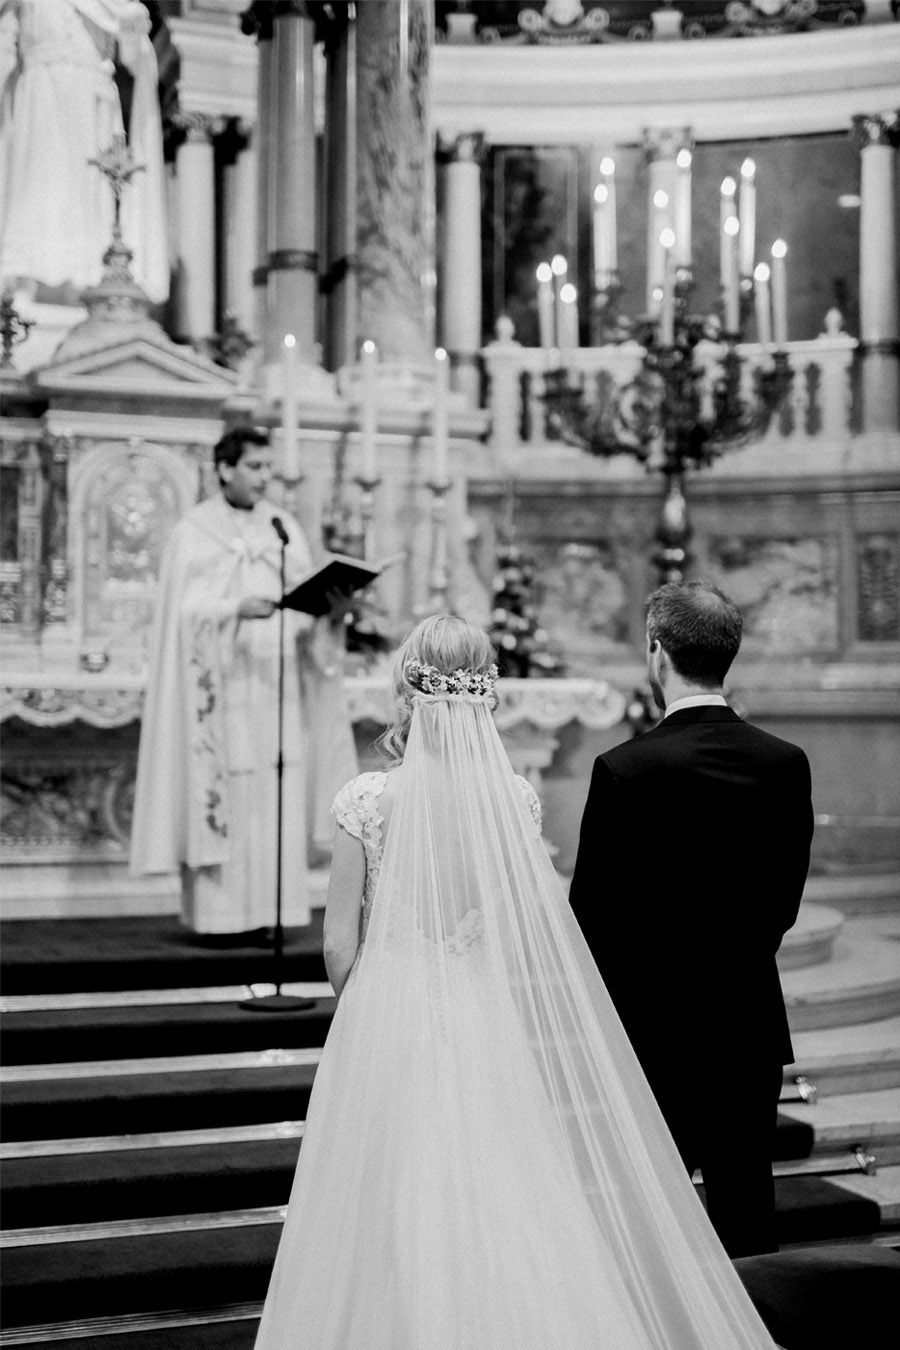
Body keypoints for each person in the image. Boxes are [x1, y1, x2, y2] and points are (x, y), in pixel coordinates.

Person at [253, 613, 780, 1349]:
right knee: (500, 1186)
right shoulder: (514, 801)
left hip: (389, 1018)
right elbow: (521, 933)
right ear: (484, 693)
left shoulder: (367, 801)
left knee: (387, 1192)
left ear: (409, 689)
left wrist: (374, 1008)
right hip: (484, 1016)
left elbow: (341, 944)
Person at [568, 580, 814, 1259]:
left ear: (656, 654)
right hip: (747, 1025)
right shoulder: (784, 763)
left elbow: (592, 918)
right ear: (727, 656)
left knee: (653, 1220)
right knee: (745, 1213)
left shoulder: (624, 768)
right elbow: (782, 905)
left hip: (653, 1035)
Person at [130, 427, 357, 941]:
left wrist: (331, 615)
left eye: (267, 468)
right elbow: (179, 618)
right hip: (221, 693)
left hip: (278, 690)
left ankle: (274, 916)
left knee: (277, 792)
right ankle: (220, 918)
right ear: (225, 468)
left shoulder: (283, 527)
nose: (264, 477)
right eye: (254, 466)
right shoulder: (195, 531)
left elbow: (304, 615)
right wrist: (235, 609)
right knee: (229, 793)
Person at [0, 0, 168, 303]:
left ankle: (84, 278)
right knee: (40, 186)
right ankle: (29, 277)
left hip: (89, 99)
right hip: (39, 94)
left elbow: (130, 47)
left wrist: (133, 30)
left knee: (83, 189)